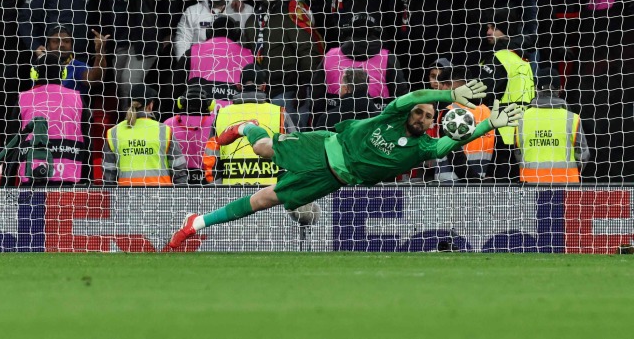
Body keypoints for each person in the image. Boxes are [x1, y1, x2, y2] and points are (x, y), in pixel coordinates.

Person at [167, 80, 522, 249]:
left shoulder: (423, 148)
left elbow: (449, 142)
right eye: (420, 111)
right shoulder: (393, 114)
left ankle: (195, 223)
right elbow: (412, 96)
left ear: (432, 123)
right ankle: (243, 126)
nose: (421, 115)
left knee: (265, 200)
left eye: (429, 115)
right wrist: (448, 95)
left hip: (333, 178)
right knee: (262, 148)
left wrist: (489, 124)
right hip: (322, 147)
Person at [101, 84, 188, 186]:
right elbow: (179, 170)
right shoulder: (164, 130)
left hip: (126, 198)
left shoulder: (114, 132)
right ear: (150, 105)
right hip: (161, 198)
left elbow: (109, 174)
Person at [516, 86, 589, 184]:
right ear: (560, 88)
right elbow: (583, 155)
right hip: (566, 184)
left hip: (530, 184)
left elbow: (518, 153)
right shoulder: (572, 118)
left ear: (536, 89)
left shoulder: (520, 119)